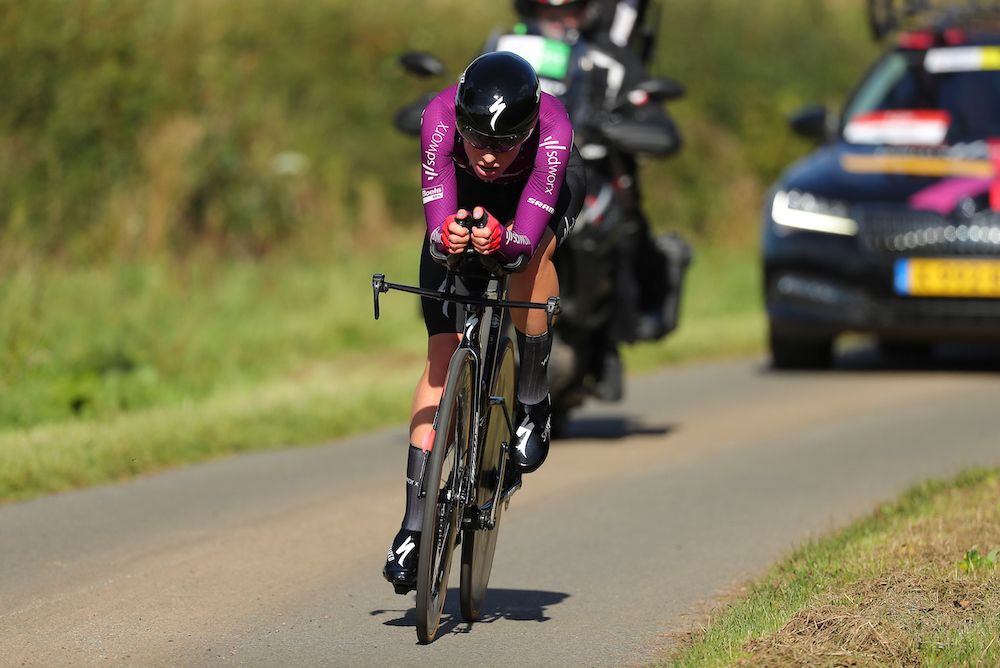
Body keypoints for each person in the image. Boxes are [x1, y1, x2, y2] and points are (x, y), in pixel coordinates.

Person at [383, 51, 585, 592]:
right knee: (440, 354)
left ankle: (535, 402)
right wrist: (446, 237)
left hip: (538, 198)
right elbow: (436, 222)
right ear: (461, 123)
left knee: (527, 266)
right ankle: (414, 524)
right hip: (464, 196)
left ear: (529, 128)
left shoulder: (554, 129)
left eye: (503, 143)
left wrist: (505, 242)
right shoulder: (439, 117)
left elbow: (519, 242)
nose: (491, 156)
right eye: (477, 140)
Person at [508, 0, 683, 342]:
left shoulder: (610, 56)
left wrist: (614, 127)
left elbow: (659, 125)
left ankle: (615, 321)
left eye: (568, 11)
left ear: (587, 11)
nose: (558, 21)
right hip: (515, 171)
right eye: (548, 12)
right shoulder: (508, 50)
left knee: (619, 224)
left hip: (585, 173)